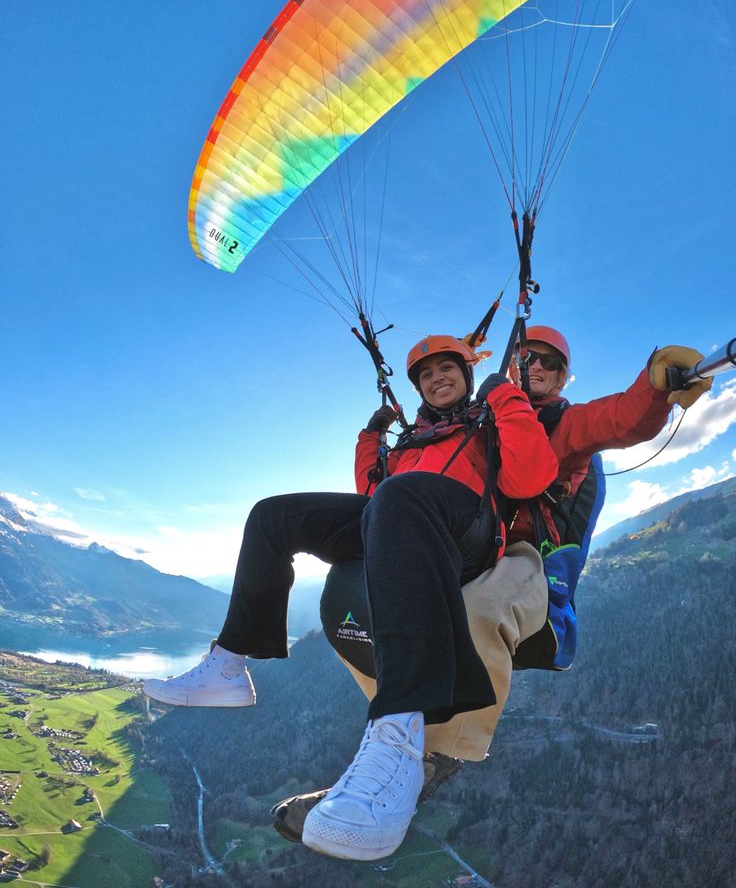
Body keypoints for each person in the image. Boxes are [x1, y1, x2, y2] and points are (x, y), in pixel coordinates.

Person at [273, 327, 712, 842]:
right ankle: (391, 742)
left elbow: (617, 419)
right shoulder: (473, 423)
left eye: (552, 364)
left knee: (479, 610)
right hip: (459, 552)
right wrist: (376, 438)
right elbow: (381, 495)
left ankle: (431, 760)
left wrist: (656, 387)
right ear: (509, 367)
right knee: (352, 609)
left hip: (522, 559)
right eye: (529, 359)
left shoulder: (556, 423)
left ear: (564, 376)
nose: (539, 369)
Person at [143, 334, 558, 862]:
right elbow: (371, 499)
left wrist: (504, 398)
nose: (436, 378)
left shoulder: (487, 427)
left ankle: (400, 734)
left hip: (466, 532)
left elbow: (532, 477)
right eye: (426, 374)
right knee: (274, 515)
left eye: (446, 368)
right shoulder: (411, 442)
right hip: (403, 520)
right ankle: (228, 664)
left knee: (398, 496)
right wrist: (372, 435)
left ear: (466, 375)